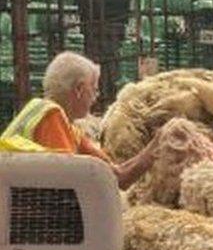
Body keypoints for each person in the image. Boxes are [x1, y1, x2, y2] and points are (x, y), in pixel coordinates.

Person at [1, 51, 157, 189]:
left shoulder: (52, 119)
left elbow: (117, 175)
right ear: (79, 89)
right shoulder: (51, 116)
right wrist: (155, 148)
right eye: (94, 89)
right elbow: (71, 184)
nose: (95, 98)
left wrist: (156, 147)